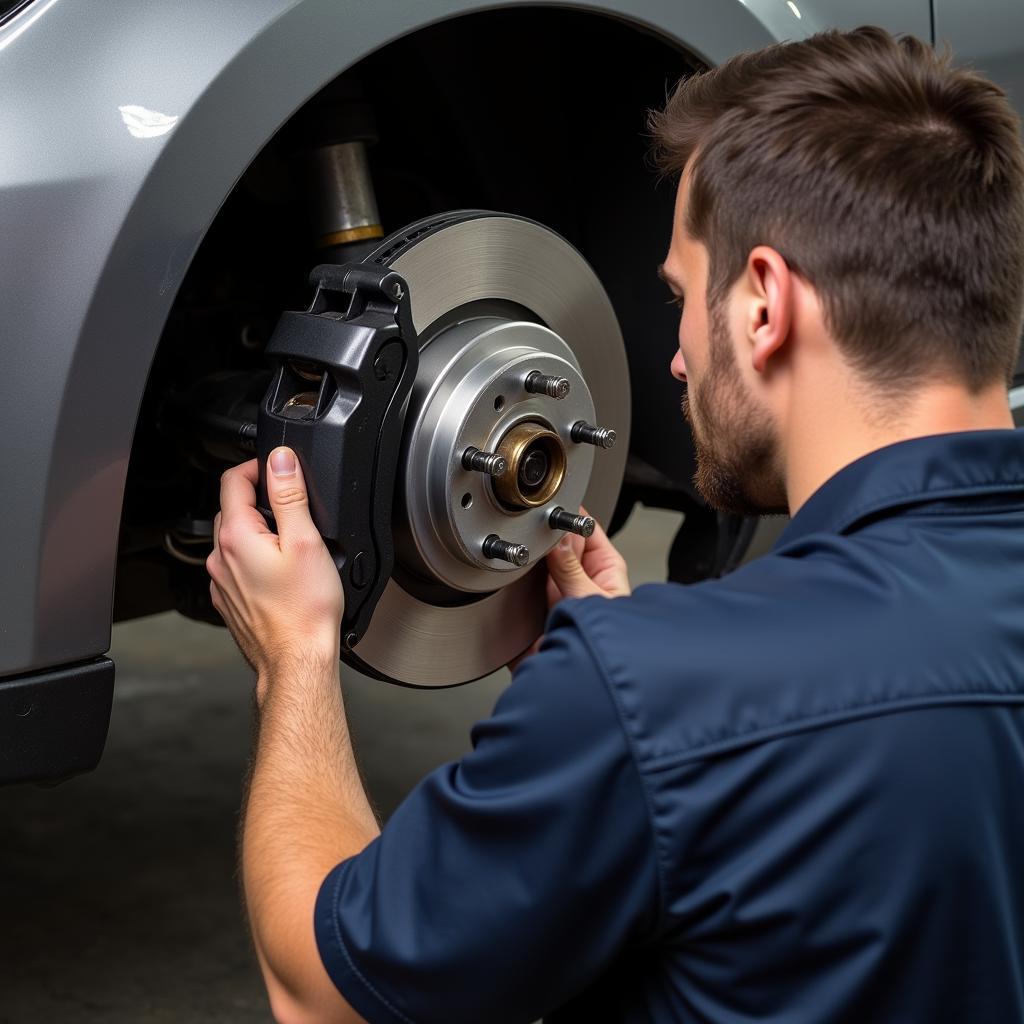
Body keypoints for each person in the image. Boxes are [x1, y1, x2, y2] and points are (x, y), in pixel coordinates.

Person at [207, 26, 1024, 1024]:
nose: (672, 360)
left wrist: (292, 653)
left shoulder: (657, 691)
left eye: (679, 297)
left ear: (763, 303)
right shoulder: (669, 691)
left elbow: (319, 991)